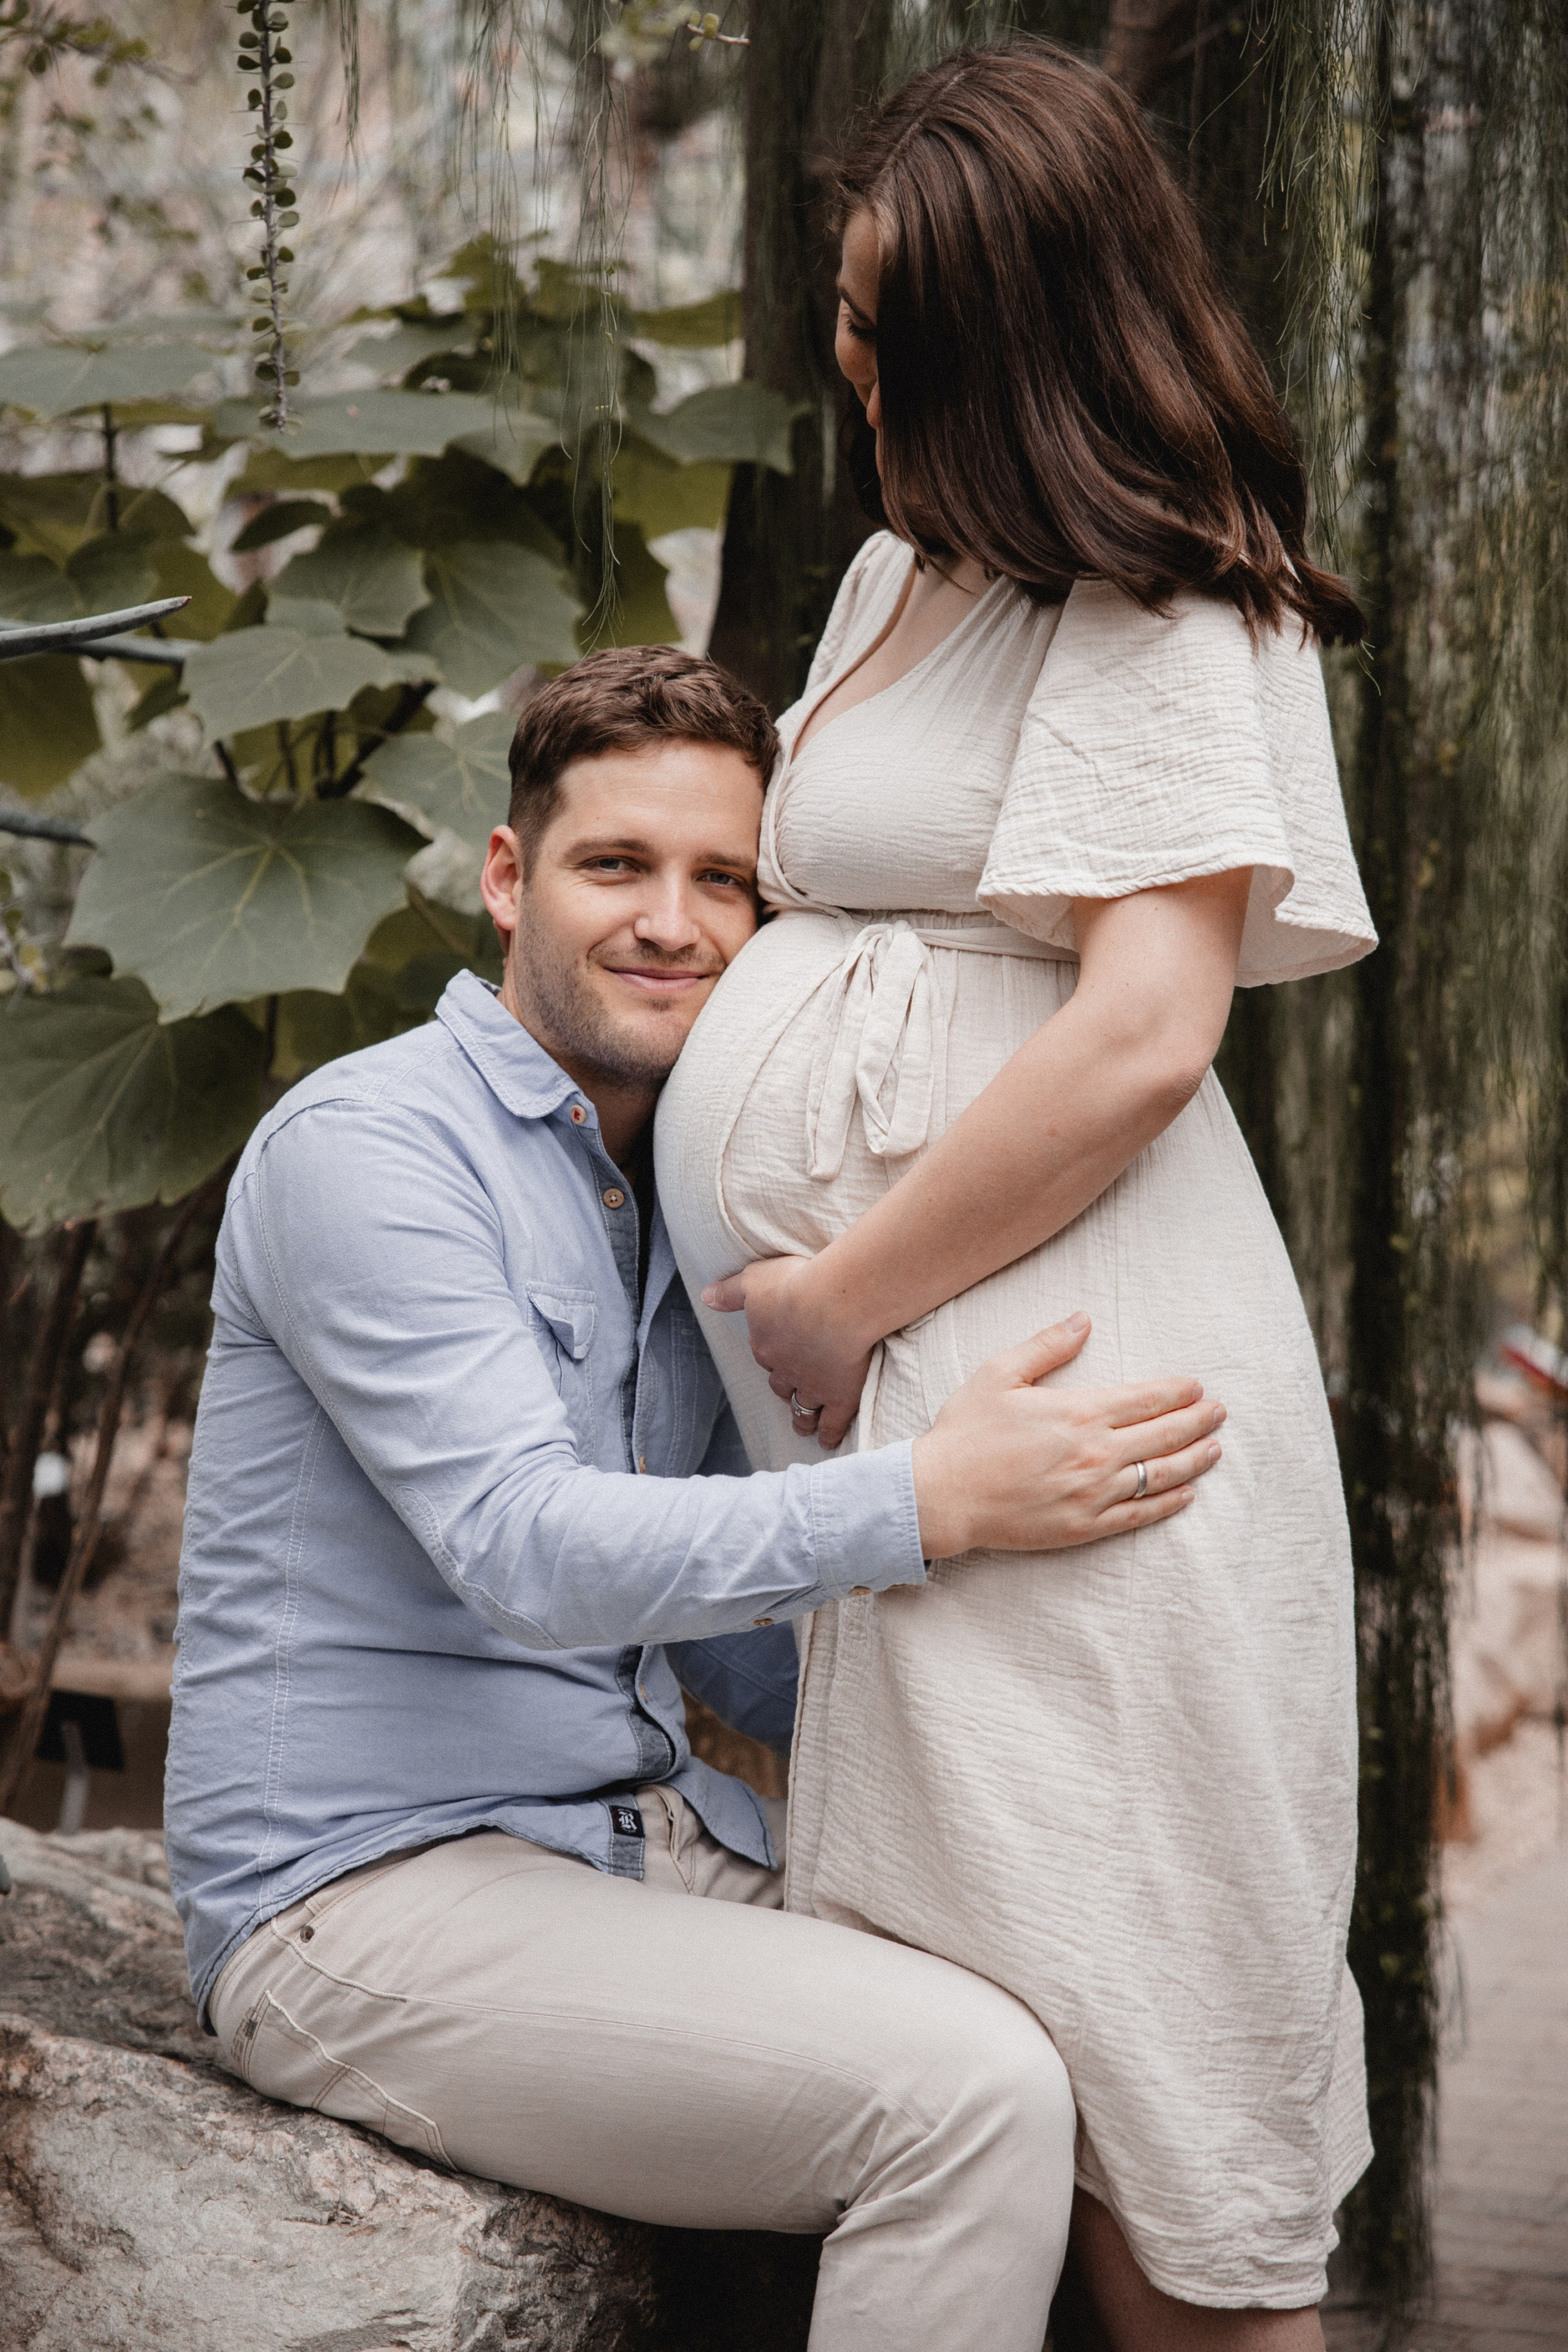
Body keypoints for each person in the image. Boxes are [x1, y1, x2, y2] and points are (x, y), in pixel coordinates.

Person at [164, 647, 1229, 2352]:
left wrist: (1071, 1696)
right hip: (360, 1895)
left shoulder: (681, 1180)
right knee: (965, 2102)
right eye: (615, 867)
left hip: (633, 1846)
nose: (673, 923)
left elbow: (736, 1663)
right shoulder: (368, 1150)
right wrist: (932, 1500)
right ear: (508, 879)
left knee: (1091, 2012)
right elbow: (532, 1553)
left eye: (721, 879)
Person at [654, 40, 1378, 2351]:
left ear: (1016, 341)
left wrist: (840, 1295)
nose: (844, 353)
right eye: (848, 300)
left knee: (1146, 2052)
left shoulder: (1165, 599)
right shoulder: (900, 571)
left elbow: (1148, 1031)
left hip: (1068, 1392)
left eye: (888, 320)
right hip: (905, 1428)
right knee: (991, 2048)